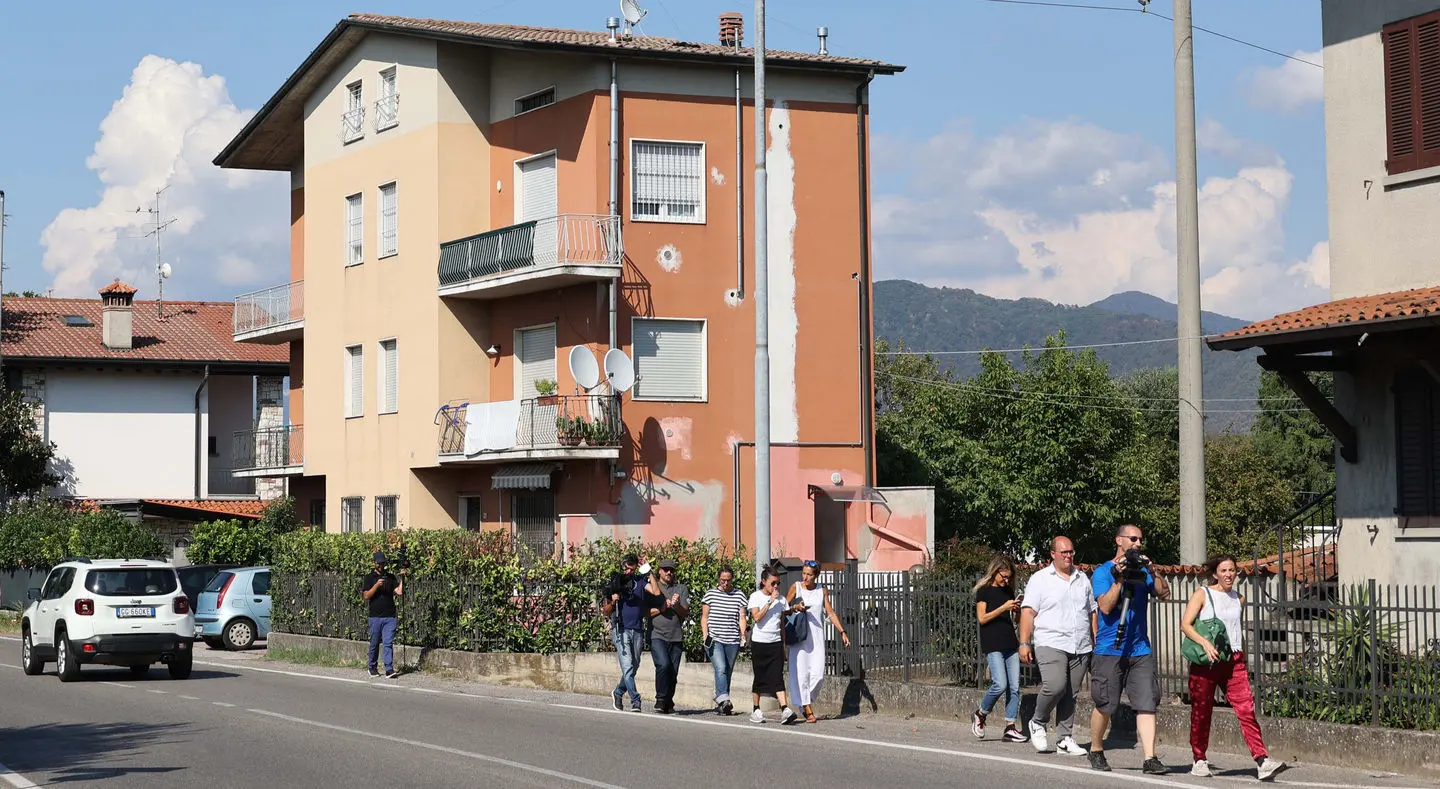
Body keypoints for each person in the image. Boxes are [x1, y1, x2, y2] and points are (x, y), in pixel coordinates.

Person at [1180, 555, 1286, 781]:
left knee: (1246, 709)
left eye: (1232, 570)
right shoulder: (1203, 594)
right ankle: (1199, 759)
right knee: (1201, 711)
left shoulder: (1239, 598)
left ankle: (1262, 760)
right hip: (1207, 661)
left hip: (1234, 660)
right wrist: (1205, 642)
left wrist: (1244, 658)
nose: (1229, 574)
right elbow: (1185, 625)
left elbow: (1236, 629)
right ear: (1215, 573)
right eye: (1224, 570)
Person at [1090, 523, 1171, 775]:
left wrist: (1152, 570)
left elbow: (1164, 594)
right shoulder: (1104, 572)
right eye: (1133, 539)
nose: (1137, 544)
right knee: (1105, 703)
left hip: (1140, 649)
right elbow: (1105, 606)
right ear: (1119, 541)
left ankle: (1150, 758)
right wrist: (1120, 578)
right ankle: (1096, 748)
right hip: (1109, 649)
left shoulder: (1144, 573)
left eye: (1140, 540)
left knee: (1147, 702)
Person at [1019, 536, 1094, 756]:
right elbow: (1028, 611)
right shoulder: (1040, 579)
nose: (1069, 556)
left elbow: (1091, 610)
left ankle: (1064, 738)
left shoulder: (1082, 578)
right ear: (1053, 554)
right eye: (1064, 552)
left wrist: (1094, 638)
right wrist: (1024, 642)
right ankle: (1038, 721)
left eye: (1071, 552)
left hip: (1080, 643)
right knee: (1056, 684)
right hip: (1051, 641)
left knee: (1071, 692)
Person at [785, 560, 851, 723]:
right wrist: (795, 608)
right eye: (804, 573)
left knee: (818, 674)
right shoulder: (796, 587)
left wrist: (842, 631)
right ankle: (806, 707)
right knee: (801, 674)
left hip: (816, 637)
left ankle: (804, 701)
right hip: (800, 635)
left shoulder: (822, 590)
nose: (805, 577)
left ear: (816, 576)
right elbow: (783, 608)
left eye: (809, 575)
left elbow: (830, 612)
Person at [971, 556, 1025, 742]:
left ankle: (1010, 727)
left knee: (1015, 687)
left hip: (1010, 642)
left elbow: (1015, 622)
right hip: (993, 643)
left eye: (1009, 577)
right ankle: (980, 713)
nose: (1007, 580)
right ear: (995, 572)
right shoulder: (984, 591)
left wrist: (1016, 611)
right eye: (1004, 576)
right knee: (999, 684)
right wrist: (1003, 608)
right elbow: (982, 618)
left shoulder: (1008, 591)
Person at [747, 566, 798, 724]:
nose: (776, 586)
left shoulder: (782, 600)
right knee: (759, 676)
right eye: (773, 583)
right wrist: (770, 602)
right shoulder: (756, 597)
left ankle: (785, 709)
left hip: (775, 642)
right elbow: (757, 618)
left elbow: (781, 623)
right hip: (759, 642)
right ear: (764, 582)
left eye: (778, 583)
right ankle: (756, 709)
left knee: (778, 676)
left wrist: (783, 645)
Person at [601, 553, 649, 712]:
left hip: (637, 629)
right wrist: (614, 600)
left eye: (630, 567)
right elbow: (606, 611)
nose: (627, 571)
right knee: (627, 667)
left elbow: (655, 592)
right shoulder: (616, 582)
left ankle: (618, 691)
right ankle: (636, 699)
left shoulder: (640, 581)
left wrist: (648, 569)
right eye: (625, 568)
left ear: (635, 567)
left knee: (634, 667)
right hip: (620, 629)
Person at [701, 566, 749, 715]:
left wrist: (743, 634)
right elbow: (704, 617)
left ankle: (723, 704)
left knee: (727, 671)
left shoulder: (739, 595)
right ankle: (723, 700)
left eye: (728, 580)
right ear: (718, 579)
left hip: (732, 639)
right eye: (723, 580)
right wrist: (705, 634)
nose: (726, 583)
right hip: (715, 639)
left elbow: (742, 617)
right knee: (720, 668)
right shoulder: (710, 595)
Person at [645, 558, 690, 714]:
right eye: (665, 569)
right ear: (660, 571)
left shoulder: (681, 589)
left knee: (673, 672)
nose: (669, 572)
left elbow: (685, 612)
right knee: (663, 665)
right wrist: (662, 608)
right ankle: (661, 699)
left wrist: (676, 605)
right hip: (657, 634)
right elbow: (645, 612)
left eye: (671, 570)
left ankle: (668, 701)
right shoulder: (652, 588)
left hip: (676, 636)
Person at [361, 550, 404, 679]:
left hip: (389, 616)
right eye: (378, 563)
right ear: (374, 563)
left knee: (388, 643)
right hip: (375, 617)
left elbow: (399, 592)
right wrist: (376, 585)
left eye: (382, 563)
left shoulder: (390, 577)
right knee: (374, 643)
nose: (380, 565)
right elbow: (366, 596)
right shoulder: (369, 578)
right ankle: (372, 667)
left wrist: (402, 578)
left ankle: (389, 669)